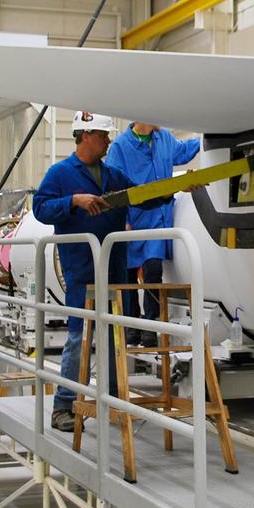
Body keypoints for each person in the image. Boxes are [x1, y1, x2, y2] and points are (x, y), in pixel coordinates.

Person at [34, 111, 151, 432]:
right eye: (103, 135)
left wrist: (179, 189)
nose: (108, 141)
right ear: (85, 136)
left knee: (115, 336)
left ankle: (111, 400)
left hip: (114, 267)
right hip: (81, 269)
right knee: (79, 338)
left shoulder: (112, 175)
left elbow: (141, 197)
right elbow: (40, 208)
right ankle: (64, 407)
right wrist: (73, 201)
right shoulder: (60, 174)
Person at [105, 122, 201, 347]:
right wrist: (124, 220)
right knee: (128, 274)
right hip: (132, 218)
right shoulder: (120, 146)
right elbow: (113, 186)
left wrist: (206, 140)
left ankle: (150, 323)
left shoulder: (165, 139)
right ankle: (132, 324)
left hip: (158, 217)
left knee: (153, 269)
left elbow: (183, 151)